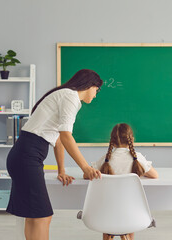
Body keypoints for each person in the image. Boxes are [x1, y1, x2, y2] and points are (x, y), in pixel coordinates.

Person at [6, 69, 103, 240]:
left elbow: (58, 140)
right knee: (42, 216)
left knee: (34, 216)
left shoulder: (65, 95)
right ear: (90, 85)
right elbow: (66, 136)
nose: (95, 96)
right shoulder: (70, 97)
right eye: (97, 90)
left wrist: (61, 170)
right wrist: (86, 168)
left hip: (24, 155)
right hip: (27, 156)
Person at [86, 123, 158, 240]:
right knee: (130, 211)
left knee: (108, 209)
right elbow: (155, 175)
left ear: (112, 142)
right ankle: (126, 235)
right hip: (131, 215)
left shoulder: (106, 160)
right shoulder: (137, 158)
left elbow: (86, 174)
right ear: (132, 140)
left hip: (106, 215)